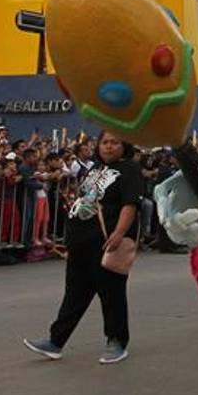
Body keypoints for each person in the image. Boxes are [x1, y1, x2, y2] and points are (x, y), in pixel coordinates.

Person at [24, 134, 143, 365]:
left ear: (124, 146)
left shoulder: (129, 170)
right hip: (81, 242)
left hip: (105, 241)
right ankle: (56, 341)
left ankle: (116, 341)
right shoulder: (94, 169)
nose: (109, 146)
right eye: (105, 142)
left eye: (115, 142)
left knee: (111, 293)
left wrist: (119, 233)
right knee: (74, 293)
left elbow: (130, 204)